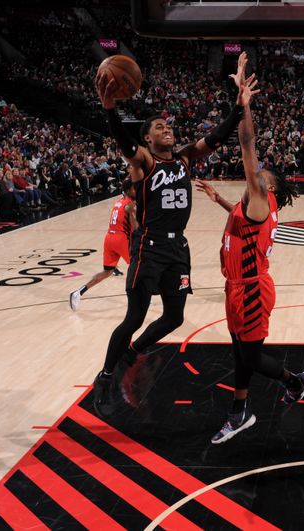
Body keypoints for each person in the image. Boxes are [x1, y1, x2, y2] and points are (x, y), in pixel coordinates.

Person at [91, 52, 251, 417]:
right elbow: (121, 140)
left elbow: (218, 136)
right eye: (159, 127)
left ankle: (131, 354)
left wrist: (239, 106)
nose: (167, 129)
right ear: (147, 138)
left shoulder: (183, 158)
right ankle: (104, 375)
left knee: (175, 317)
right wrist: (109, 109)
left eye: (168, 126)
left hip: (178, 247)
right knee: (135, 317)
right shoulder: (144, 162)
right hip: (148, 246)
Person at [195, 63, 304, 445]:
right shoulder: (252, 208)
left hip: (251, 290)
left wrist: (243, 104)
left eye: (264, 176)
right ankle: (249, 407)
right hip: (237, 288)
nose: (259, 174)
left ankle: (284, 387)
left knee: (247, 358)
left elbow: (247, 145)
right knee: (239, 353)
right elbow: (242, 221)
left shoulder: (262, 197)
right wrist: (219, 200)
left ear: (269, 188)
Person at [69, 179, 137, 311]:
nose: (136, 191)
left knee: (108, 271)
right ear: (129, 191)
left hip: (109, 238)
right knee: (138, 267)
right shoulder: (129, 205)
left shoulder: (118, 202)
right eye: (134, 189)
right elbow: (134, 228)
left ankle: (78, 292)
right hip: (121, 238)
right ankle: (140, 298)